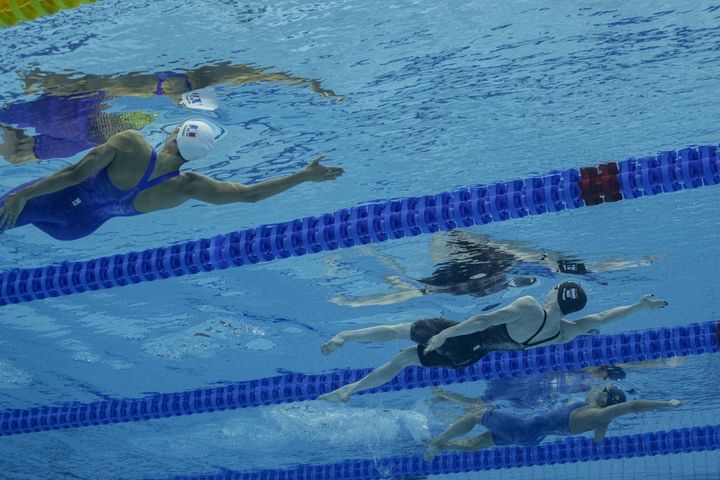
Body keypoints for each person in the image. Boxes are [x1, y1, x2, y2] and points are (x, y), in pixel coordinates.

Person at [317, 283, 667, 403]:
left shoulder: (530, 306)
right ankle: (353, 389)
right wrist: (638, 307)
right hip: (472, 357)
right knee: (406, 358)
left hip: (464, 337)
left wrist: (445, 333)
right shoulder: (563, 332)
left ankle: (346, 336)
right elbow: (603, 319)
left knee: (400, 331)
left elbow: (483, 320)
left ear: (557, 293)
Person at [0, 120, 343, 240]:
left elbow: (75, 173)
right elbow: (249, 196)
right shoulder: (186, 188)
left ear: (175, 134)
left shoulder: (132, 143)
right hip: (78, 229)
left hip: (54, 199)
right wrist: (304, 175)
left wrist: (23, 195)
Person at [0, 63, 343, 164]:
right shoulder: (168, 83)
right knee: (18, 111)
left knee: (18, 155)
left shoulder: (173, 98)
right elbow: (245, 72)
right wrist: (304, 81)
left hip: (85, 134)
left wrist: (303, 81)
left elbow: (250, 73)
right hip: (73, 107)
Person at [329, 230, 655, 308]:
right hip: (488, 276)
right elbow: (581, 267)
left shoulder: (457, 279)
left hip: (480, 279)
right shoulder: (510, 261)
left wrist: (352, 302)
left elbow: (397, 286)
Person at [424, 385, 686, 460]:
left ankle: (437, 442)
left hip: (524, 428)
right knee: (475, 443)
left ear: (607, 400)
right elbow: (598, 438)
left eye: (604, 389)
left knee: (475, 415)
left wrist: (668, 403)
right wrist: (607, 419)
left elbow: (633, 406)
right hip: (530, 438)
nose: (598, 388)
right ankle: (442, 448)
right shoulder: (594, 418)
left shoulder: (593, 415)